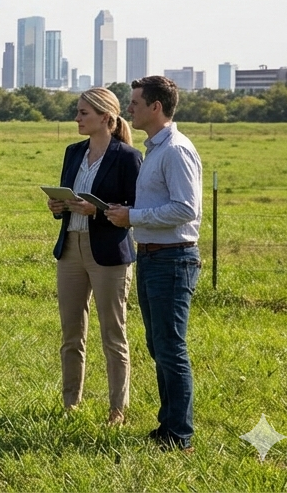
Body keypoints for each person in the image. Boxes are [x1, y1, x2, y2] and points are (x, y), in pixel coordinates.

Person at [105, 76, 202, 452]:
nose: (129, 109)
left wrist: (132, 217)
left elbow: (185, 208)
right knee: (159, 344)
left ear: (155, 107)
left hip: (172, 258)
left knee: (170, 346)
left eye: (135, 103)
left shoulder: (175, 150)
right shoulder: (156, 150)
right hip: (152, 255)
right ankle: (169, 426)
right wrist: (129, 213)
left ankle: (179, 435)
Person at [47, 87, 142, 426]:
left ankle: (118, 410)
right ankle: (70, 404)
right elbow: (65, 200)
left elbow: (136, 209)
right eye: (77, 111)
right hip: (70, 248)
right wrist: (57, 206)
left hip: (109, 253)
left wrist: (97, 211)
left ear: (105, 117)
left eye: (83, 113)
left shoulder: (128, 157)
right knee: (71, 333)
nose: (77, 118)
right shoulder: (73, 152)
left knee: (113, 335)